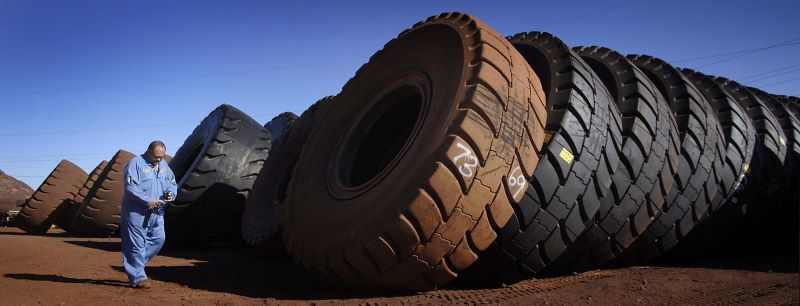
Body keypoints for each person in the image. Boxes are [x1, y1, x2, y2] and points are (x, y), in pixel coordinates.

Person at [120, 140, 178, 288]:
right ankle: (138, 278)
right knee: (136, 245)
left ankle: (134, 264)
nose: (158, 160)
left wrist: (171, 193)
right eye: (156, 157)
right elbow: (130, 187)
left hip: (157, 212)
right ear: (148, 152)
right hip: (137, 212)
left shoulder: (164, 165)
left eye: (161, 157)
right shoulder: (135, 164)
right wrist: (147, 201)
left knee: (159, 239)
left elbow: (172, 182)